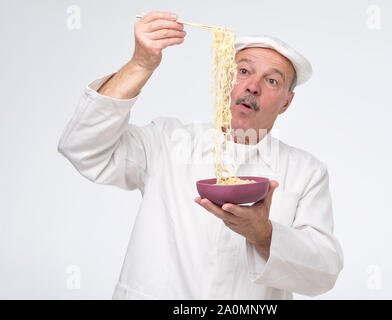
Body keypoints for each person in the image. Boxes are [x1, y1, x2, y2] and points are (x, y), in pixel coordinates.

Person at [58, 11, 344, 299]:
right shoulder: (166, 141)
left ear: (286, 102)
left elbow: (323, 273)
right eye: (243, 71)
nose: (252, 87)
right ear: (224, 78)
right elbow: (83, 147)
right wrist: (140, 65)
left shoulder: (306, 171)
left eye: (272, 81)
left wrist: (264, 235)